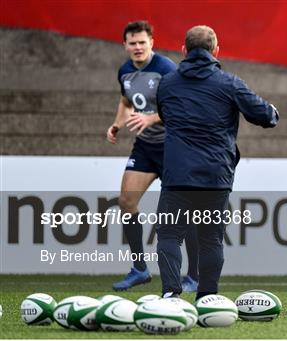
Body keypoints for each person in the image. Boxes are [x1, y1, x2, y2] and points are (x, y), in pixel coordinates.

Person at [155, 25, 279, 300]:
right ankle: (207, 297)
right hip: (216, 177)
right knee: (211, 238)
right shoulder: (229, 83)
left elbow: (164, 113)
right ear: (216, 51)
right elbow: (265, 117)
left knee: (169, 235)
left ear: (184, 50)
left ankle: (170, 297)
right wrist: (273, 111)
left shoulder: (167, 83)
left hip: (177, 177)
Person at [106, 20, 198, 292]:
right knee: (126, 201)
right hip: (145, 147)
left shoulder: (167, 69)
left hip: (174, 146)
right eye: (132, 43)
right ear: (125, 45)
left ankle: (194, 275)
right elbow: (126, 102)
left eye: (142, 42)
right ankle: (139, 269)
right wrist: (117, 124)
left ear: (151, 43)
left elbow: (182, 106)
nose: (137, 47)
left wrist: (151, 118)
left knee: (185, 212)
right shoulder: (124, 71)